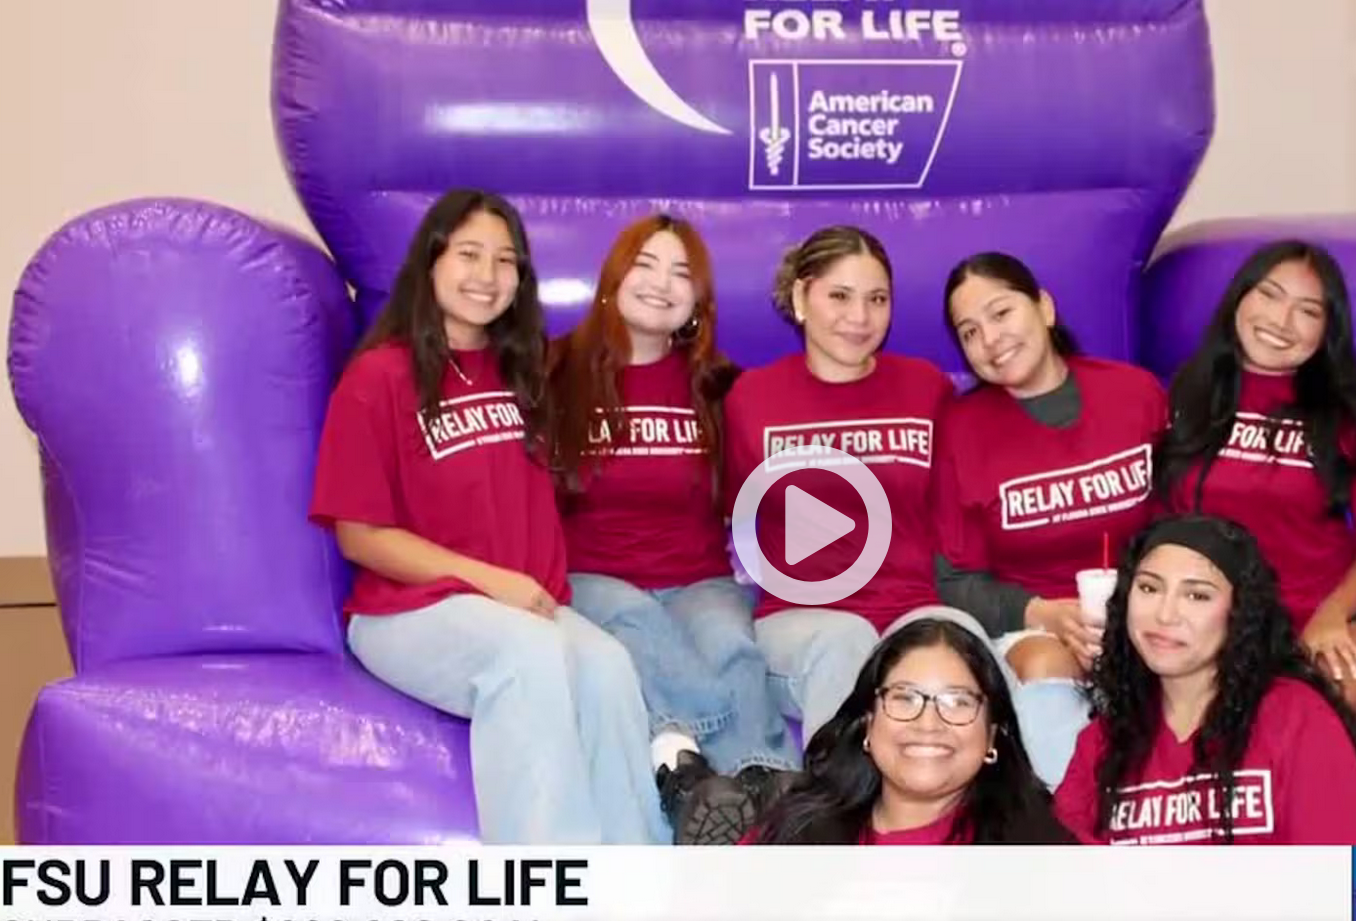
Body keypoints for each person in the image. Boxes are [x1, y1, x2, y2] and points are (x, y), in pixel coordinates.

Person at [427, 618, 1300, 921]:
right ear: (868, 725)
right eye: (905, 698)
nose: (930, 720)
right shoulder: (782, 856)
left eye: (961, 701)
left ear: (996, 735)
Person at [308, 189, 667, 847]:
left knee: (611, 668)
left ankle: (637, 903)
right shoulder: (377, 379)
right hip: (407, 612)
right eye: (469, 254)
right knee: (529, 657)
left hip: (521, 606)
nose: (487, 276)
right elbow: (359, 536)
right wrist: (489, 581)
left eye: (506, 261)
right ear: (431, 262)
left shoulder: (519, 372)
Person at [1055, 513, 1356, 921]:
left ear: (1237, 615)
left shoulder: (1292, 713)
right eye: (1148, 587)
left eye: (1197, 596)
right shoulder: (1102, 743)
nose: (1165, 614)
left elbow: (1338, 893)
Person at [546, 214, 799, 846]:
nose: (662, 284)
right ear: (613, 278)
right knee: (636, 627)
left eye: (682, 274)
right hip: (589, 576)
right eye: (646, 265)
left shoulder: (717, 386)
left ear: (698, 302)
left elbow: (765, 488)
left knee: (734, 644)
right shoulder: (555, 372)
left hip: (697, 575)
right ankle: (682, 771)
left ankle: (764, 782)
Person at [722, 225, 996, 740]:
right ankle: (836, 816)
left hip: (910, 609)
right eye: (840, 296)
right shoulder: (752, 398)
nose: (860, 318)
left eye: (877, 299)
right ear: (802, 296)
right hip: (801, 624)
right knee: (844, 640)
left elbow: (953, 519)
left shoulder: (924, 387)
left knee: (964, 643)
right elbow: (732, 519)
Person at [932, 251, 1168, 787]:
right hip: (1033, 628)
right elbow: (955, 580)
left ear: (1044, 308)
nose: (990, 339)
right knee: (1044, 666)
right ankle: (1076, 831)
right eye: (970, 332)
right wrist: (1045, 614)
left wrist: (1144, 609)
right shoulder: (962, 430)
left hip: (1148, 615)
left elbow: (1182, 526)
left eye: (1001, 313)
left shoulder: (1135, 394)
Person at [1156, 240, 1356, 719]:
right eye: (1269, 295)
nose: (1281, 320)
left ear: (1326, 330)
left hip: (1340, 610)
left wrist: (1332, 614)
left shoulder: (1351, 414)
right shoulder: (1185, 395)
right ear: (1240, 298)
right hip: (1229, 622)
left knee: (1316, 726)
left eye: (1308, 310)